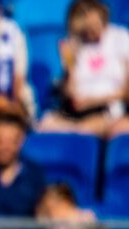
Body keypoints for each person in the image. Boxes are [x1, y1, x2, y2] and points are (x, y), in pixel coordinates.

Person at [39, 0, 129, 138]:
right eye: (87, 28)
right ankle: (74, 130)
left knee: (94, 126)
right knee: (44, 124)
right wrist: (70, 66)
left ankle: (74, 131)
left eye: (96, 24)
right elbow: (71, 95)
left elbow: (125, 92)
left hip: (109, 109)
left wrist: (92, 101)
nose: (93, 31)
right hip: (78, 111)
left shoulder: (120, 37)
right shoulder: (75, 44)